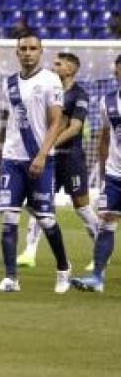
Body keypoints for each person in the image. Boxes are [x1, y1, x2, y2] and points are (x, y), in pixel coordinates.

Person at [0, 29, 71, 293]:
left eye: (32, 49)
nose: (27, 53)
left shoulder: (51, 81)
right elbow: (7, 121)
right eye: (23, 49)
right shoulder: (9, 82)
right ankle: (11, 278)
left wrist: (42, 155)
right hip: (12, 158)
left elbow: (57, 121)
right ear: (17, 52)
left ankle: (63, 268)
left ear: (41, 51)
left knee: (46, 219)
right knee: (8, 218)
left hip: (40, 158)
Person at [18, 52, 98, 268]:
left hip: (71, 158)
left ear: (71, 69)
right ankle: (29, 251)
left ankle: (101, 250)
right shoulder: (49, 91)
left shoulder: (79, 94)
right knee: (39, 203)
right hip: (49, 158)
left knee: (81, 206)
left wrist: (50, 144)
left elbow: (75, 127)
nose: (54, 66)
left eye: (59, 64)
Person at [71, 56, 121, 292]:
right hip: (114, 175)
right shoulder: (107, 101)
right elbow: (105, 137)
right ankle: (97, 278)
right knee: (106, 224)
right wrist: (102, 173)